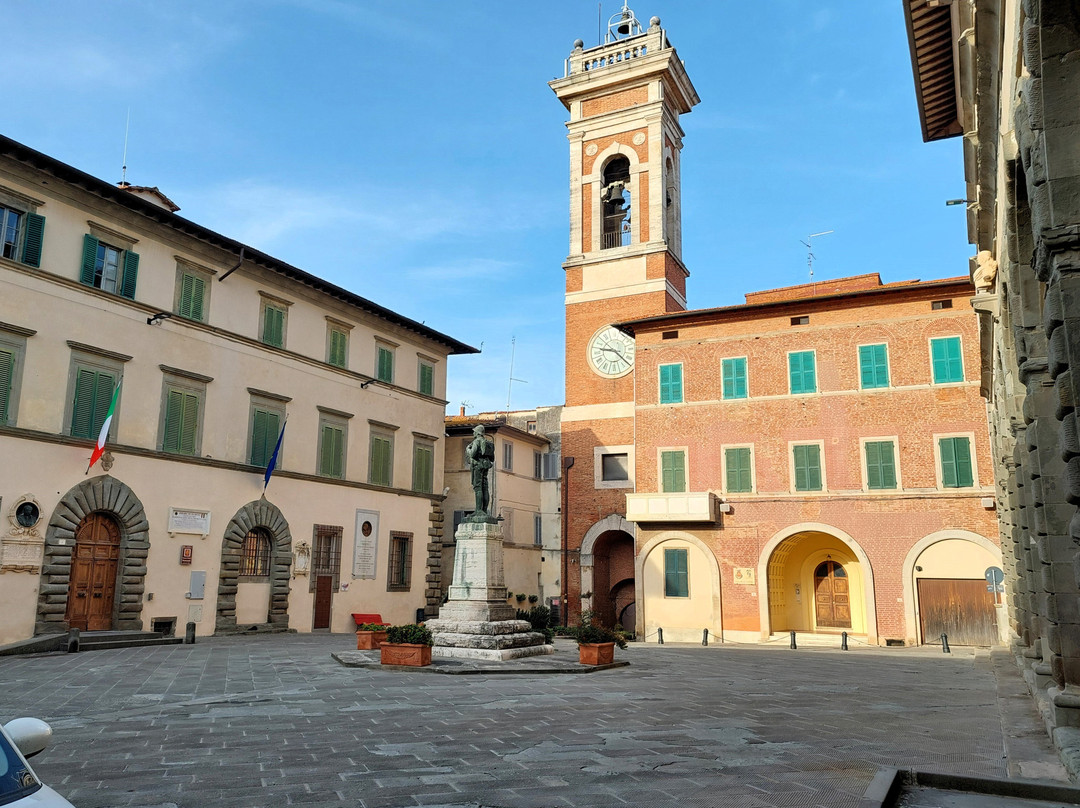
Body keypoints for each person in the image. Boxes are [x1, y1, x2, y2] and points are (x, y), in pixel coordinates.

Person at [465, 425, 495, 518]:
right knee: (485, 488)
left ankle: (478, 511)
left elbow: (472, 454)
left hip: (477, 466)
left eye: (474, 431)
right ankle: (484, 510)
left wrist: (467, 449)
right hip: (485, 466)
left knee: (478, 488)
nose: (473, 433)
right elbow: (492, 458)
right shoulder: (487, 442)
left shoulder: (477, 441)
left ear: (478, 432)